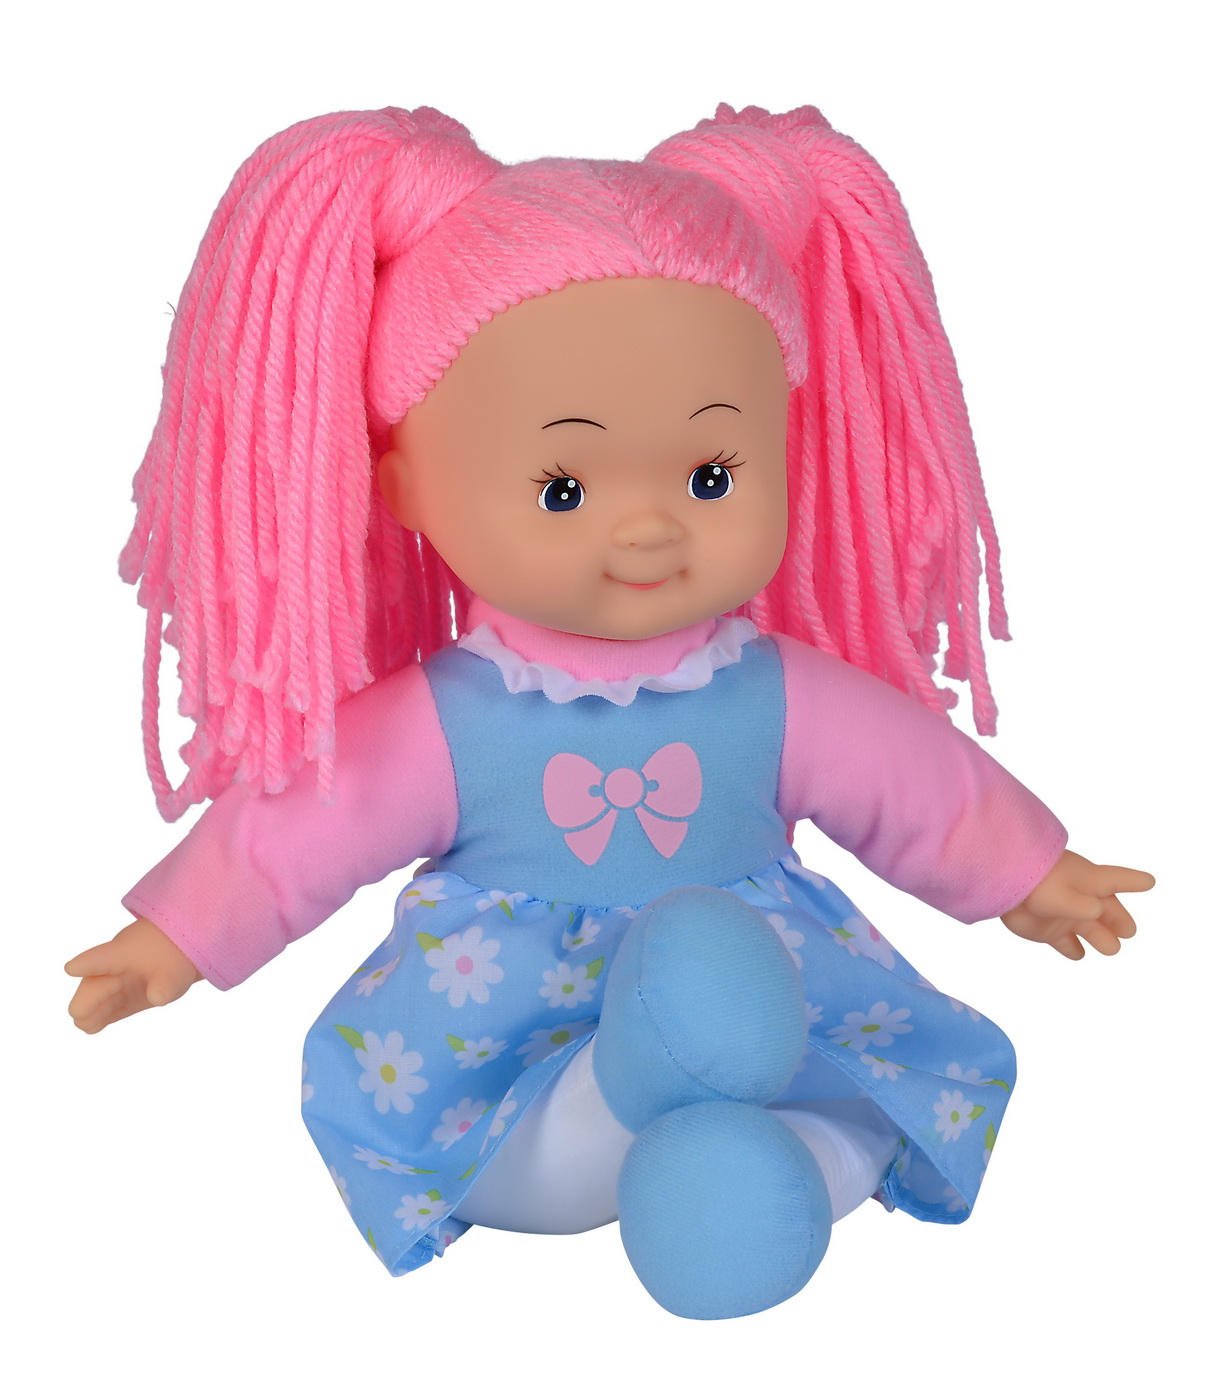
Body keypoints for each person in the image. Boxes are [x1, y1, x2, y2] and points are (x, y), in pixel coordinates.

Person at [65, 104, 1153, 1319]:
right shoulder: (442, 722)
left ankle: (766, 1173)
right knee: (556, 1123)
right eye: (564, 486)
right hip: (515, 1040)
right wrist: (178, 935)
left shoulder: (777, 691)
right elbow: (298, 829)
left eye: (709, 475)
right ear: (405, 484)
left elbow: (915, 782)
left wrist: (1025, 872)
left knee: (830, 1075)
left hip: (767, 993)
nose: (647, 527)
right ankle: (639, 1102)